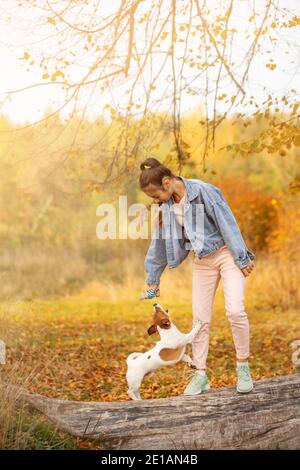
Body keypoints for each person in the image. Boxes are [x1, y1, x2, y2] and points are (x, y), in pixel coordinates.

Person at [139, 157, 256, 395]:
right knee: (200, 319)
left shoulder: (203, 191)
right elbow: (158, 244)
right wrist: (153, 279)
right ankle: (200, 374)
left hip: (227, 255)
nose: (155, 200)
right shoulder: (167, 208)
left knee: (235, 310)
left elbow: (227, 223)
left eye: (155, 195)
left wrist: (241, 257)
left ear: (167, 181)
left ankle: (243, 366)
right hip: (202, 261)